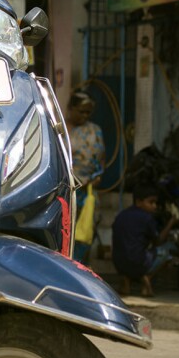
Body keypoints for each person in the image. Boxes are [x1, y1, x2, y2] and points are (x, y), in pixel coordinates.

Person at [111, 183, 179, 298]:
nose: (155, 206)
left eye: (155, 203)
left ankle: (126, 283)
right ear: (138, 202)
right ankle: (147, 277)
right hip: (138, 263)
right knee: (170, 249)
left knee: (130, 251)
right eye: (151, 202)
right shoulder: (147, 218)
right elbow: (158, 241)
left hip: (119, 264)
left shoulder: (122, 215)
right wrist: (172, 222)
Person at [66, 90, 105, 263]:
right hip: (66, 189)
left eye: (88, 113)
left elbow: (101, 158)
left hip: (88, 190)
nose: (85, 116)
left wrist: (99, 176)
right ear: (71, 108)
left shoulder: (94, 131)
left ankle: (81, 268)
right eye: (81, 111)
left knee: (85, 231)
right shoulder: (61, 128)